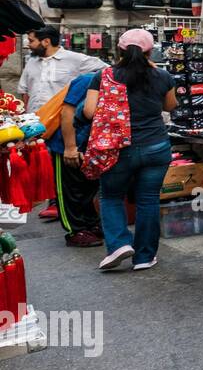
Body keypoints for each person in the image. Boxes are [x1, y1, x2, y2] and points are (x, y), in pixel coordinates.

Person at [83, 29, 177, 272]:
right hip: (156, 146)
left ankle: (119, 244)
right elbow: (170, 105)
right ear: (149, 51)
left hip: (117, 148)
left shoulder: (104, 76)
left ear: (120, 50)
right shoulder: (162, 76)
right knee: (148, 200)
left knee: (112, 196)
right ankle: (145, 256)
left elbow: (89, 112)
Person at [17, 26, 105, 219]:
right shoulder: (32, 62)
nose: (28, 44)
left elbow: (103, 70)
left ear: (45, 41)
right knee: (40, 164)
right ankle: (49, 200)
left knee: (60, 165)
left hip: (62, 122)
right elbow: (25, 90)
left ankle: (60, 204)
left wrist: (82, 98)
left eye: (31, 40)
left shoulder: (75, 59)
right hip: (35, 122)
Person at [49, 70, 102, 248]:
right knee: (69, 191)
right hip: (65, 144)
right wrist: (70, 147)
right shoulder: (88, 80)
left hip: (90, 145)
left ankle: (90, 224)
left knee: (88, 187)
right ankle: (75, 230)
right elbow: (67, 112)